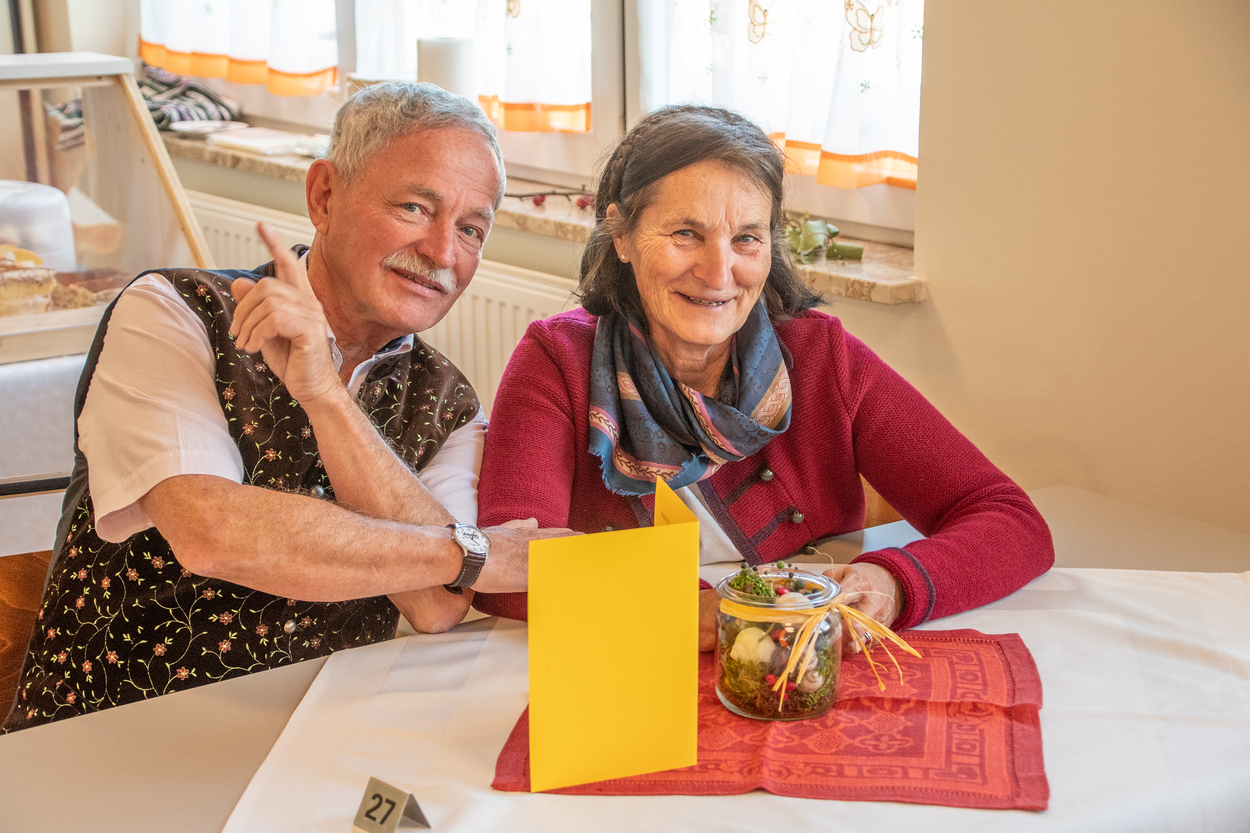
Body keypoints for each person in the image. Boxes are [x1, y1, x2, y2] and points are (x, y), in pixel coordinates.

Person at [4, 82, 568, 731]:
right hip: (107, 733)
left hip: (313, 738)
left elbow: (435, 605)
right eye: (415, 207)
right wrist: (478, 553)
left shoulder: (449, 402)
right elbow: (209, 531)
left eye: (470, 230)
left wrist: (325, 395)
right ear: (324, 196)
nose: (443, 253)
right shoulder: (173, 311)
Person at [473, 105, 1054, 648]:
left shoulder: (822, 356)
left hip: (804, 663)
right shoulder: (557, 362)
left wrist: (891, 582)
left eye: (746, 238)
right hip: (631, 665)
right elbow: (504, 573)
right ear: (621, 235)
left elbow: (1009, 519)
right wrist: (704, 611)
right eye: (685, 234)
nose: (718, 272)